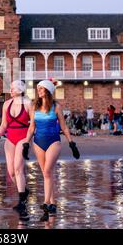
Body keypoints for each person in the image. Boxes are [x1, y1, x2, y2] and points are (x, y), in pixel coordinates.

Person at [26, 79, 79, 219]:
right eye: (38, 88)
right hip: (38, 142)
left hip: (53, 141)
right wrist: (26, 143)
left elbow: (63, 126)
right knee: (46, 174)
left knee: (48, 171)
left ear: (48, 90)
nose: (39, 91)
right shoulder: (34, 106)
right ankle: (53, 203)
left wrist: (72, 143)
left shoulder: (56, 107)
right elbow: (31, 127)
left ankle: (45, 203)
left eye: (42, 88)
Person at [0, 80, 33, 218]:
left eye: (14, 88)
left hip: (23, 136)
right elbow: (4, 123)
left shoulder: (28, 104)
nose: (11, 90)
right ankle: (24, 191)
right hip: (10, 137)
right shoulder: (6, 104)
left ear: (21, 90)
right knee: (11, 172)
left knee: (18, 168)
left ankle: (22, 201)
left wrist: (27, 142)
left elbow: (33, 124)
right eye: (11, 88)